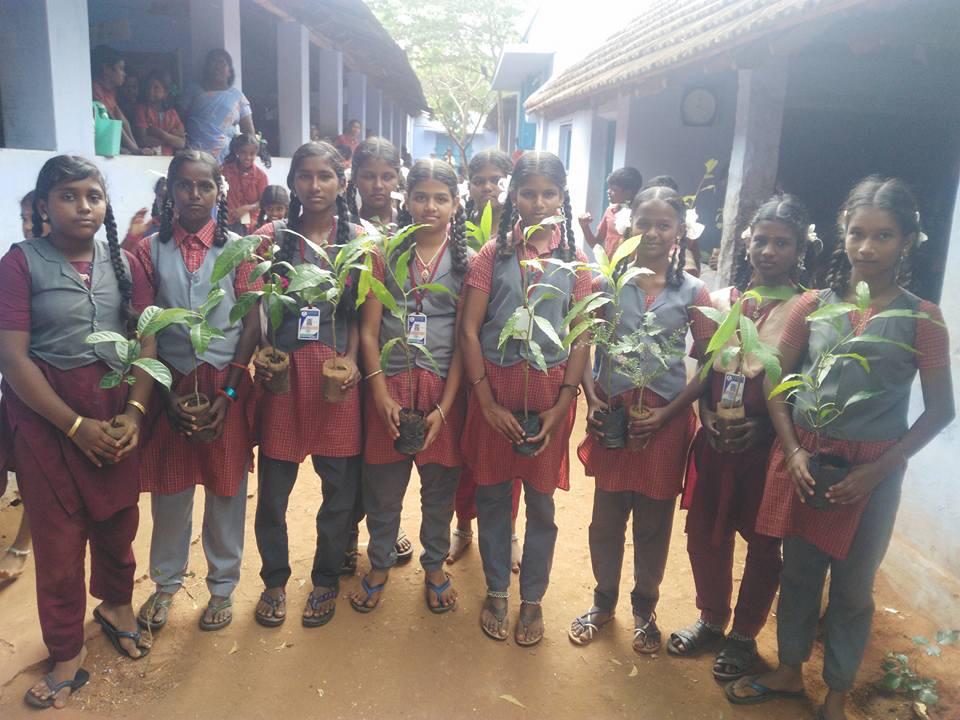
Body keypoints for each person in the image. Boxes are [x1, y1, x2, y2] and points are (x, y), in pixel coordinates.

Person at [726, 177, 954, 720]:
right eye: (857, 233)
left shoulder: (922, 320)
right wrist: (794, 452)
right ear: (841, 236)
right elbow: (776, 383)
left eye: (883, 235)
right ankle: (788, 671)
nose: (867, 248)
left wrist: (878, 472)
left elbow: (942, 410)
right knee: (799, 573)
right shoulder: (813, 306)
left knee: (852, 587)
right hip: (807, 467)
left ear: (907, 241)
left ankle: (835, 694)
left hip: (869, 479)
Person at [0, 155, 156, 709]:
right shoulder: (20, 264)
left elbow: (148, 342)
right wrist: (72, 425)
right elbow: (14, 361)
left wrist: (134, 414)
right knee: (60, 544)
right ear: (43, 206)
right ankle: (66, 650)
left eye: (93, 194)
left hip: (113, 413)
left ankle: (116, 605)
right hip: (47, 422)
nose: (83, 205)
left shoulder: (126, 263)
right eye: (68, 195)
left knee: (119, 522)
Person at [670, 195, 814, 680]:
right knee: (703, 533)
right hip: (716, 441)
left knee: (763, 543)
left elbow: (802, 383)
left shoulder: (808, 308)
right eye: (761, 240)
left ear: (799, 249)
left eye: (782, 242)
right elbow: (707, 369)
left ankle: (745, 635)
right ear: (746, 242)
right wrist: (705, 411)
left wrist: (769, 428)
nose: (768, 250)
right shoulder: (721, 300)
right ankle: (712, 618)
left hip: (767, 448)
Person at [569, 185, 712, 654]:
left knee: (654, 522)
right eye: (643, 223)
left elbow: (709, 362)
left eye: (663, 224)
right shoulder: (608, 282)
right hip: (614, 416)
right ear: (629, 227)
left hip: (664, 425)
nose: (652, 233)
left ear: (679, 232)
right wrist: (592, 397)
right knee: (606, 520)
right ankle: (603, 602)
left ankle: (644, 610)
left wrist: (670, 414)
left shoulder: (694, 292)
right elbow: (584, 342)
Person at [459, 151, 592, 646]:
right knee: (494, 498)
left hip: (548, 406)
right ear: (512, 196)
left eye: (549, 193)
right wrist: (486, 403)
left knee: (541, 507)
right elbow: (471, 332)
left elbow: (581, 336)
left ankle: (532, 598)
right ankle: (496, 587)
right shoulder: (491, 257)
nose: (539, 203)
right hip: (494, 401)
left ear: (562, 199)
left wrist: (563, 403)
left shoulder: (574, 264)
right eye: (529, 192)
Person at [133, 150, 261, 634]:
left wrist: (229, 395)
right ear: (169, 190)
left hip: (224, 379)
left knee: (227, 486)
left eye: (204, 186)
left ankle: (223, 587)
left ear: (218, 191)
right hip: (169, 378)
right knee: (171, 486)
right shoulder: (149, 250)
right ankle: (165, 585)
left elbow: (250, 323)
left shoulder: (239, 248)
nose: (194, 194)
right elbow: (146, 323)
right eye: (184, 185)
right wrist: (163, 394)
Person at [350, 158, 471, 613]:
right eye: (421, 196)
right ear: (407, 199)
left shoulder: (466, 263)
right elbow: (367, 330)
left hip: (442, 389)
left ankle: (435, 565)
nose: (430, 206)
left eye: (441, 198)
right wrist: (378, 391)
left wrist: (444, 408)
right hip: (391, 385)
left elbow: (465, 339)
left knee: (439, 487)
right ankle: (379, 562)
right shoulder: (383, 255)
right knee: (383, 484)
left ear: (456, 205)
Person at [251, 142, 362, 629]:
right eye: (304, 176)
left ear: (342, 181)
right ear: (292, 182)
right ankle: (274, 581)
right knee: (274, 491)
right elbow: (254, 304)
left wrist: (353, 361)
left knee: (338, 491)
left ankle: (324, 580)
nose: (314, 186)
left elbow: (362, 316)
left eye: (325, 176)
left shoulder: (359, 240)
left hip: (335, 376)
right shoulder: (273, 239)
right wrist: (262, 354)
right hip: (285, 375)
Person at [341, 137, 415, 569]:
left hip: (392, 359)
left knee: (387, 452)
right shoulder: (342, 227)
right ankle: (350, 531)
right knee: (353, 454)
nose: (378, 185)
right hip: (350, 354)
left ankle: (387, 526)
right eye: (369, 175)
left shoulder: (406, 232)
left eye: (387, 176)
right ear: (354, 178)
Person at [450, 148, 523, 568]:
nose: (489, 188)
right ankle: (462, 526)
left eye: (498, 180)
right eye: (481, 180)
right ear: (469, 185)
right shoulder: (456, 228)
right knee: (465, 450)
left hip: (507, 361)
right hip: (463, 357)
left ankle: (508, 531)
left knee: (507, 449)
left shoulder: (522, 234)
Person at [0, 192, 51, 584]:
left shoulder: (81, 268)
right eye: (24, 217)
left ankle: (22, 542)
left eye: (35, 217)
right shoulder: (16, 263)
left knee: (38, 468)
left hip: (56, 387)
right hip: (17, 383)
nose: (30, 225)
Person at [181, 49, 255, 162]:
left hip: (227, 159)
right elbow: (178, 121)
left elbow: (249, 134)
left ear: (229, 71)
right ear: (206, 69)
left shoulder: (237, 96)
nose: (217, 66)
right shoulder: (193, 91)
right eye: (213, 62)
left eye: (222, 62)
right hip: (194, 157)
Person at [91, 45, 152, 156]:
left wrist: (136, 149)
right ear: (107, 69)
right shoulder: (95, 89)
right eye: (121, 69)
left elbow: (123, 121)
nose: (124, 74)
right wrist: (135, 150)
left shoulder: (110, 91)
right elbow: (112, 122)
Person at [578, 167, 643, 256]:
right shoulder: (610, 211)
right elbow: (596, 246)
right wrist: (584, 226)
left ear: (628, 193)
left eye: (614, 189)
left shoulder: (641, 215)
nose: (608, 191)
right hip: (609, 268)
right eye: (609, 188)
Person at [221, 133, 269, 234]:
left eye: (252, 154)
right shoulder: (226, 171)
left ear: (256, 154)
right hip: (226, 221)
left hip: (251, 224)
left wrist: (247, 208)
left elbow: (264, 201)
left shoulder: (261, 176)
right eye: (243, 153)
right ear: (237, 151)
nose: (248, 157)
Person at [134, 70, 186, 156]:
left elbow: (181, 143)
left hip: (169, 159)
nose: (151, 91)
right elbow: (142, 140)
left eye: (156, 88)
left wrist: (160, 133)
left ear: (166, 92)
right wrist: (171, 139)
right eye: (149, 87)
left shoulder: (172, 114)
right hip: (149, 157)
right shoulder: (142, 110)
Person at [123, 178, 167, 252]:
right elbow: (119, 260)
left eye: (168, 196)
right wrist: (131, 238)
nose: (164, 201)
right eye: (160, 196)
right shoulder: (147, 228)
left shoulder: (188, 228)